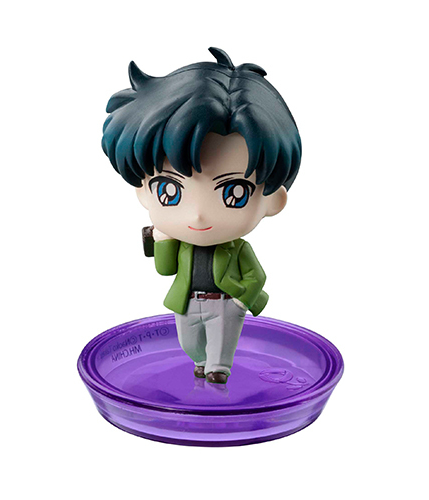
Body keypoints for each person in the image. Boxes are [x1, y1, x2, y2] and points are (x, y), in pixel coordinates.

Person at [102, 48, 302, 383]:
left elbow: (257, 275)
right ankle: (201, 361)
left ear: (272, 201)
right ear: (143, 191)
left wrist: (242, 301)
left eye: (234, 193)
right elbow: (165, 269)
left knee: (221, 345)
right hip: (187, 301)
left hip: (225, 303)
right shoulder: (182, 243)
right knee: (189, 342)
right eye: (169, 190)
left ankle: (218, 368)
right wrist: (162, 239)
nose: (197, 215)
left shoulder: (237, 249)